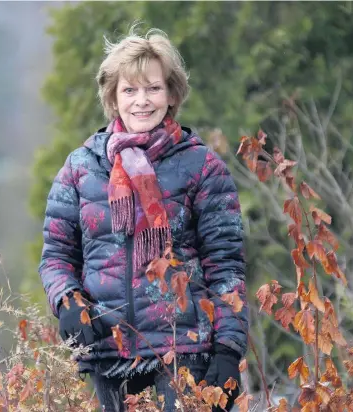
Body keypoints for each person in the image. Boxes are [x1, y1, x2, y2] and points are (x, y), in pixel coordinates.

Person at [38, 26, 248, 412]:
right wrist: (67, 301)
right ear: (113, 99)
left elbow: (226, 268)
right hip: (108, 349)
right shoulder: (81, 168)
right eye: (129, 90)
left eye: (153, 88)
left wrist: (228, 349)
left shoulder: (202, 167)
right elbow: (56, 255)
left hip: (188, 350)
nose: (142, 101)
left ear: (171, 95)